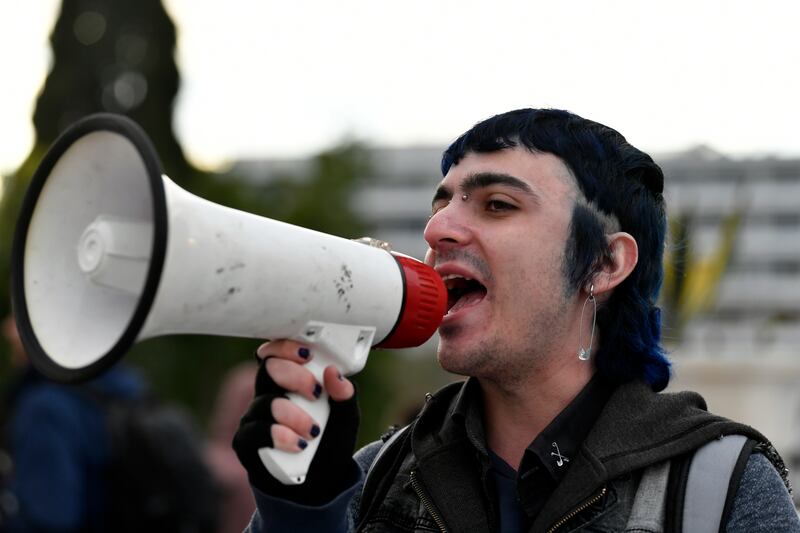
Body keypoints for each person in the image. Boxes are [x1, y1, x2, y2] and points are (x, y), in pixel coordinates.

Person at [232, 108, 800, 532]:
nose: (436, 232)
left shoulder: (720, 488)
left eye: (497, 205)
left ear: (603, 263)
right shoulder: (372, 479)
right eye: (441, 207)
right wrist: (301, 513)